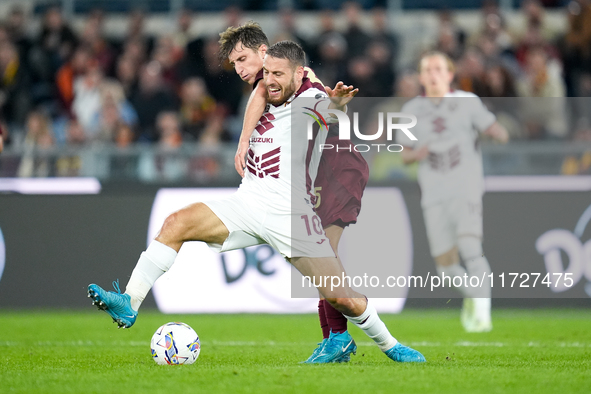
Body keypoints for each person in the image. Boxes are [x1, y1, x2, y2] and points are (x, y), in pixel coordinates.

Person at [88, 40, 425, 365]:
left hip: (291, 214)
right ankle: (129, 302)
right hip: (247, 204)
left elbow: (327, 111)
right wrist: (245, 137)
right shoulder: (262, 97)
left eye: (279, 74)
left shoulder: (311, 98)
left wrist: (335, 104)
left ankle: (390, 345)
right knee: (176, 223)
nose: (270, 80)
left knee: (341, 296)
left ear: (297, 74)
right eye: (268, 73)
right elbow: (260, 93)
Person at [218, 22, 369, 363]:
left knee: (324, 258)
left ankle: (340, 338)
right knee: (321, 263)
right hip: (313, 176)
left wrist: (337, 104)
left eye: (243, 59)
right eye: (234, 64)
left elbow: (328, 109)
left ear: (263, 53)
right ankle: (334, 338)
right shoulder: (271, 86)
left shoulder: (295, 79)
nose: (240, 69)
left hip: (337, 170)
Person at [397, 51, 509, 332]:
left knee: (471, 248)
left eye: (438, 69)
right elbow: (405, 155)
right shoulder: (410, 110)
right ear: (421, 77)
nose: (433, 74)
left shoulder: (467, 103)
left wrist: (497, 133)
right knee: (445, 269)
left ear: (449, 74)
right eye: (427, 70)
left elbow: (498, 131)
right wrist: (416, 153)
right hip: (433, 193)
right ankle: (475, 298)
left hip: (466, 187)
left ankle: (483, 316)